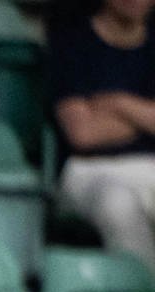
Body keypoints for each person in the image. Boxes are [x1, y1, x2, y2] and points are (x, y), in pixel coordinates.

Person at [48, 0, 155, 270]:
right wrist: (145, 115)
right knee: (118, 205)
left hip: (149, 167)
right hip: (88, 171)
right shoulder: (72, 43)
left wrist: (119, 104)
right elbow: (83, 133)